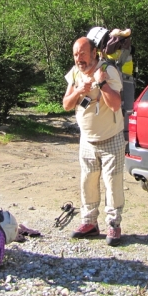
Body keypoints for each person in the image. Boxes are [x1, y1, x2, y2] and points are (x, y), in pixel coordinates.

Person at [63, 36, 126, 246]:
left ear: (94, 53)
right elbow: (66, 104)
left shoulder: (108, 70)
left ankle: (114, 225)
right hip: (87, 141)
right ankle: (89, 223)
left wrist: (101, 83)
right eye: (75, 54)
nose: (78, 58)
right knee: (88, 182)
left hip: (111, 139)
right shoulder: (74, 73)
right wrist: (80, 90)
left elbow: (116, 104)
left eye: (82, 53)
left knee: (113, 184)